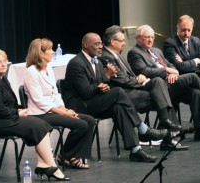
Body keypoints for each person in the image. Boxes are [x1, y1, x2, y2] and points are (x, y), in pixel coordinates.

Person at [63, 32, 168, 163]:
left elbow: (99, 85)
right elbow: (86, 92)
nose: (101, 46)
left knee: (118, 108)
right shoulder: (76, 63)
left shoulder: (98, 62)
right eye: (97, 44)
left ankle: (136, 150)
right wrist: (105, 79)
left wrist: (104, 85)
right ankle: (142, 128)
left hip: (93, 101)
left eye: (101, 43)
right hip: (80, 105)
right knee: (118, 91)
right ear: (85, 45)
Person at [127, 24, 200, 142]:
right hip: (159, 88)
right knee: (193, 76)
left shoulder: (156, 50)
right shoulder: (134, 53)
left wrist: (173, 72)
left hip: (172, 83)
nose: (150, 40)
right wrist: (166, 71)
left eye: (152, 37)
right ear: (138, 38)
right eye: (147, 37)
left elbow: (170, 64)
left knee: (196, 93)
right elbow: (143, 71)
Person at [0, 49, 69, 181]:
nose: (3, 64)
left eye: (4, 61)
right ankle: (51, 166)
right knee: (36, 125)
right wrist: (17, 113)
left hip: (6, 119)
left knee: (41, 123)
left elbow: (7, 104)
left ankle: (43, 164)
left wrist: (20, 109)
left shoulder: (2, 79)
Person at [101, 25, 190, 151]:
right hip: (124, 95)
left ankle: (165, 124)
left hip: (134, 89)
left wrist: (141, 80)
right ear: (112, 41)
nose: (125, 43)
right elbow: (120, 79)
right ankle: (167, 137)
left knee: (159, 86)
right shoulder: (106, 57)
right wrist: (138, 80)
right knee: (164, 97)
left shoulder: (118, 55)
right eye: (122, 41)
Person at [23, 38, 95, 170]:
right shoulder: (31, 72)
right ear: (40, 53)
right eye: (50, 49)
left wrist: (65, 109)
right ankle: (67, 156)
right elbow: (39, 100)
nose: (53, 52)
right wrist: (63, 113)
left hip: (54, 110)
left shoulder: (48, 68)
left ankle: (68, 156)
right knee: (80, 124)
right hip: (40, 114)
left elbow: (55, 94)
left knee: (89, 120)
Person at [163, 15, 200, 131]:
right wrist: (195, 61)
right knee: (197, 92)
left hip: (197, 75)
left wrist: (187, 63)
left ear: (192, 29)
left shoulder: (195, 40)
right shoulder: (170, 43)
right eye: (183, 30)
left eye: (189, 30)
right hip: (181, 79)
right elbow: (178, 67)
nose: (186, 33)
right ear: (177, 28)